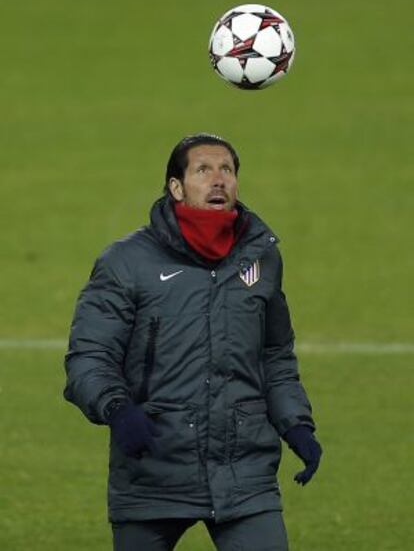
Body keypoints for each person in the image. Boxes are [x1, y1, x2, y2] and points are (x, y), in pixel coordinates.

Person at [64, 133, 322, 551]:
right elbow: (89, 355)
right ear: (176, 187)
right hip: (153, 470)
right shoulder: (126, 263)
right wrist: (117, 408)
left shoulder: (260, 258)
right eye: (203, 170)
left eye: (227, 170)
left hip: (245, 477)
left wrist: (295, 423)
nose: (218, 179)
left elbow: (274, 355)